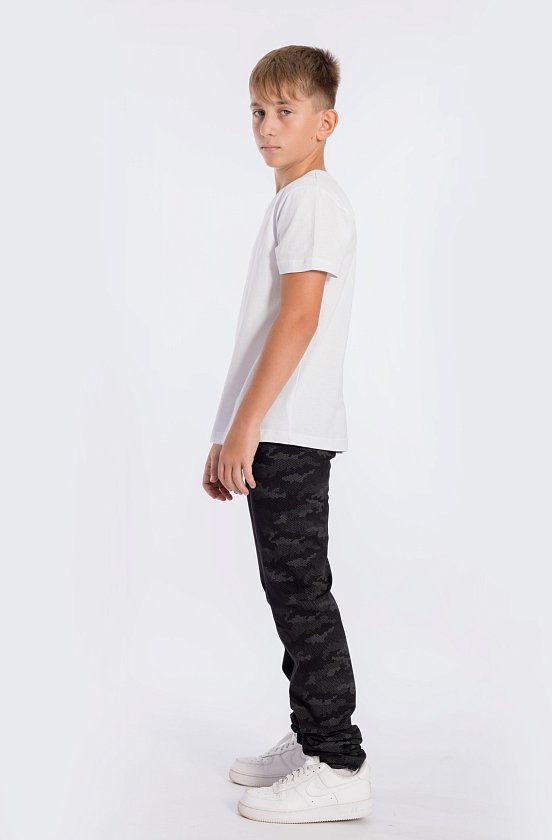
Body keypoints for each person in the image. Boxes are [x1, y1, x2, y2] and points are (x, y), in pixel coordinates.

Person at [202, 44, 372, 824]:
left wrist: (248, 427)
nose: (267, 126)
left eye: (285, 111)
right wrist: (227, 433)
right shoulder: (295, 201)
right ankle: (312, 736)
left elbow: (300, 320)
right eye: (257, 112)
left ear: (325, 122)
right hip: (275, 430)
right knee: (290, 589)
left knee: (302, 594)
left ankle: (337, 762)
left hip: (288, 431)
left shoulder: (312, 199)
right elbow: (267, 327)